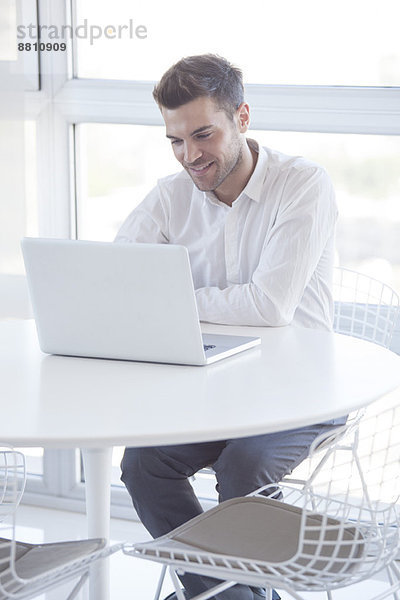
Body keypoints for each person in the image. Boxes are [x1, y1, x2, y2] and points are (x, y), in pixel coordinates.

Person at [116, 54, 345, 600]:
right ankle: (229, 595)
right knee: (144, 466)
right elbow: (119, 279)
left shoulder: (303, 184)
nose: (190, 155)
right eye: (175, 140)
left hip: (303, 390)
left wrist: (173, 300)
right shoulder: (172, 195)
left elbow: (269, 305)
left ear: (241, 118)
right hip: (217, 389)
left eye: (203, 134)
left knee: (245, 467)